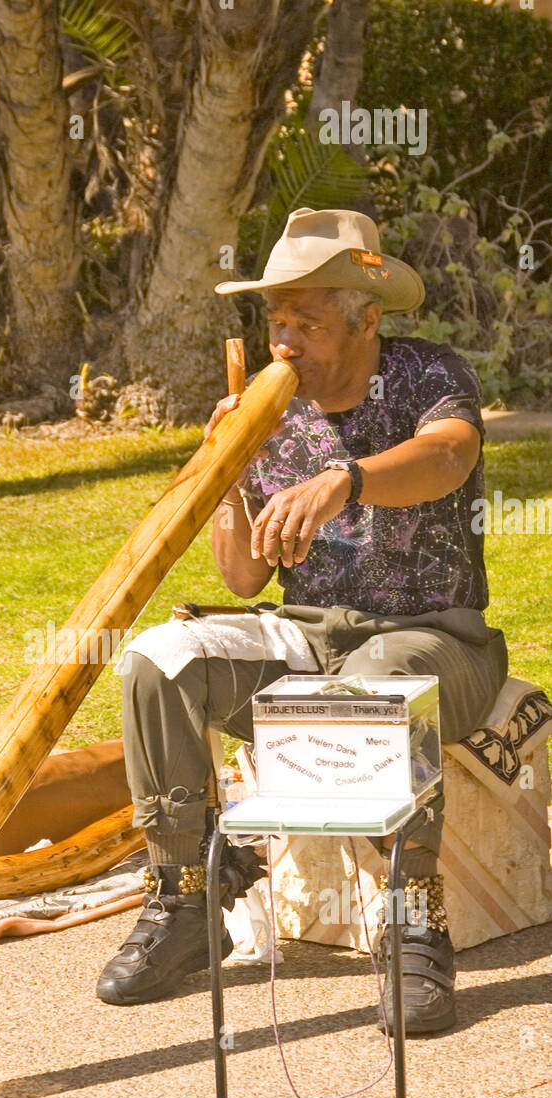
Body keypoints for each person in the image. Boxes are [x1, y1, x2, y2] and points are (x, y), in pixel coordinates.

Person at [95, 207, 508, 1033]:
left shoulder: (427, 375)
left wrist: (343, 481)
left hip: (435, 636)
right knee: (156, 660)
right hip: (308, 633)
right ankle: (184, 901)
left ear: (367, 319)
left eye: (308, 323)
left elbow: (451, 456)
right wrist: (231, 473)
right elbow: (247, 573)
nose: (286, 342)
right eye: (277, 320)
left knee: (383, 682)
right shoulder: (268, 406)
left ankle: (414, 922)